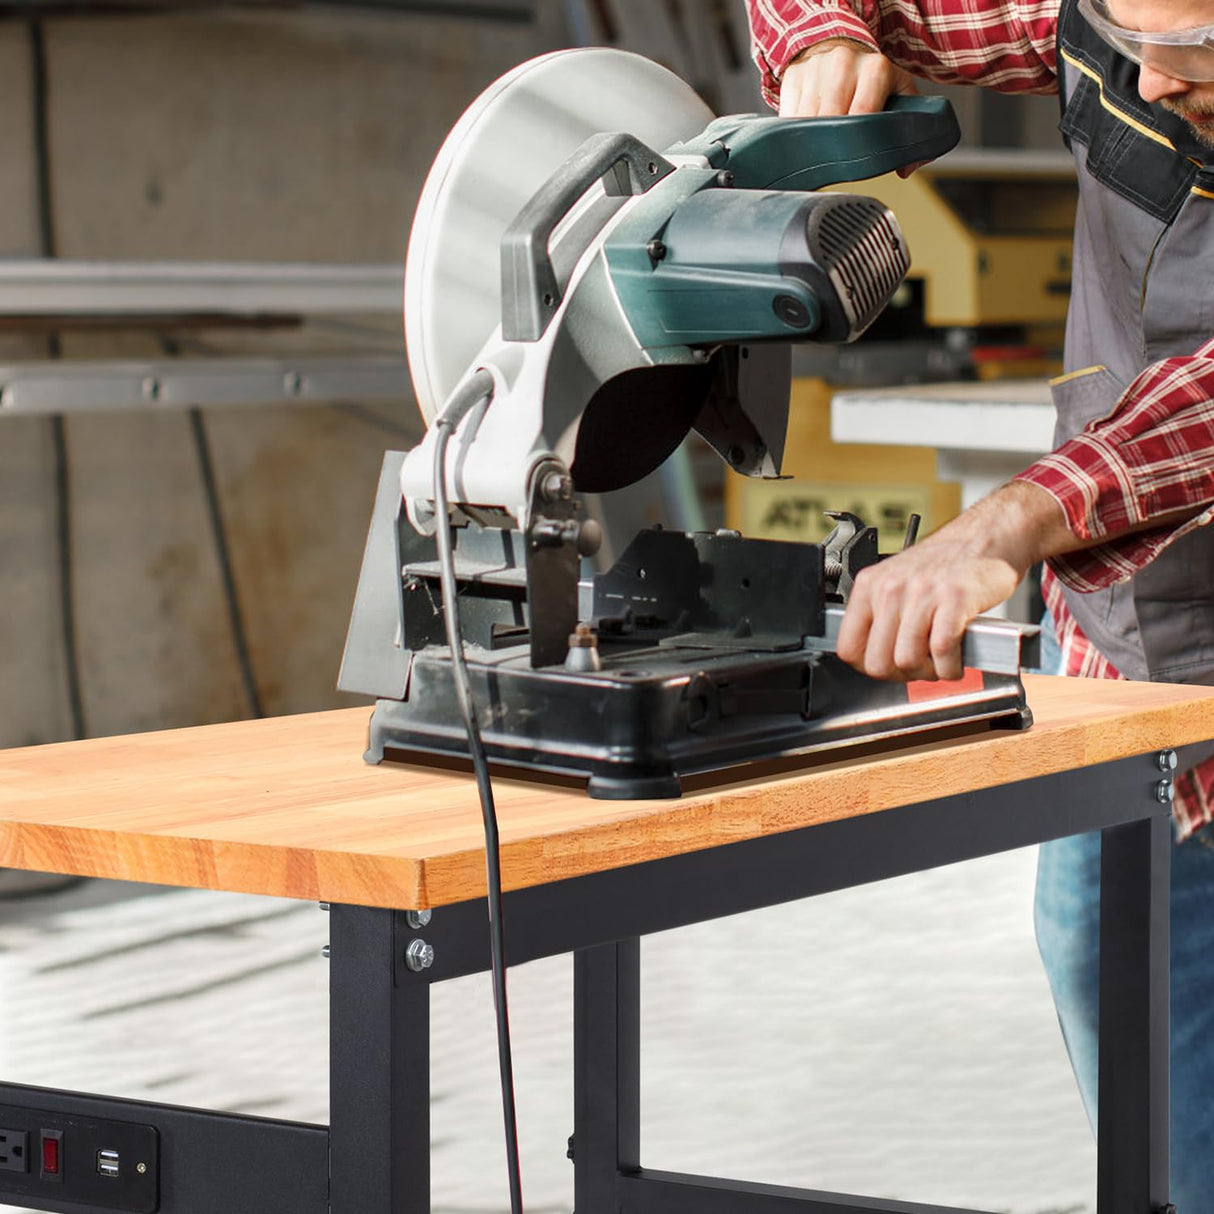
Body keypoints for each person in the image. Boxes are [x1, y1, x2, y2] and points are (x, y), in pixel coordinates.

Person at [747, 0, 1214, 1204]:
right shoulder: (1120, 30)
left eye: (1202, 47)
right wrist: (825, 41)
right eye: (1131, 34)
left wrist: (1004, 524)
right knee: (1128, 1052)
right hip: (1116, 672)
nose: (1155, 79)